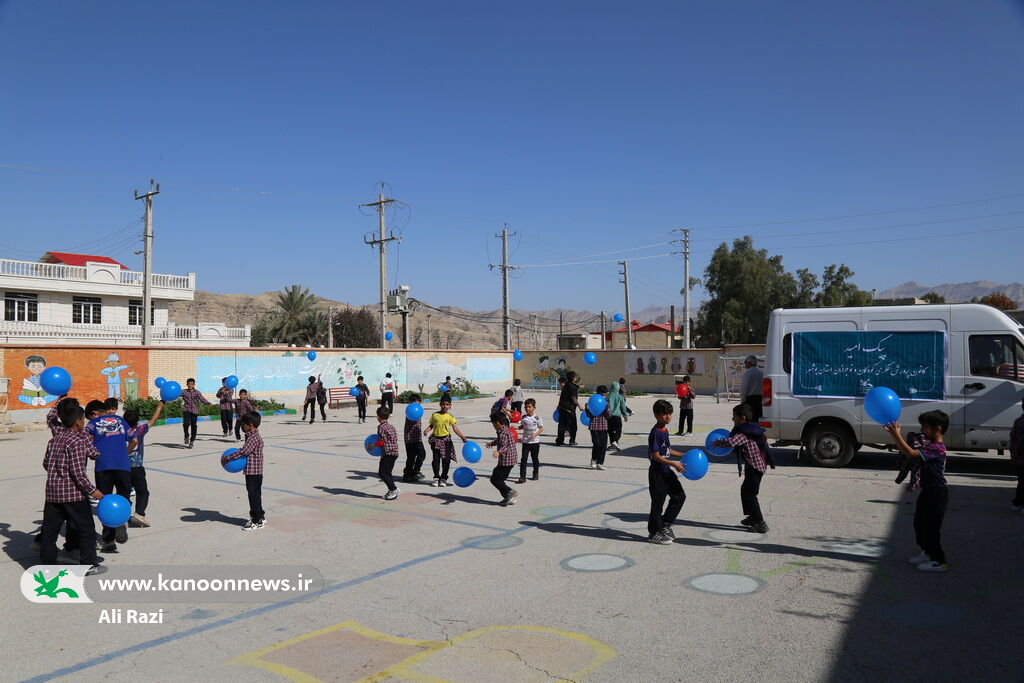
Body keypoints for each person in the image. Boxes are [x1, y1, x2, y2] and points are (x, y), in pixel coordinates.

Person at [39, 403, 106, 576]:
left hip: (53, 493)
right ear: (78, 421)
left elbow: (46, 464)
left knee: (49, 530)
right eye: (82, 418)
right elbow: (77, 472)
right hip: (73, 495)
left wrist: (57, 473)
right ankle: (88, 564)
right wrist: (92, 490)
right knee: (86, 530)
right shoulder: (76, 442)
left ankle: (47, 564)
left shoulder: (54, 440)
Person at [883, 410, 951, 572]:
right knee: (919, 524)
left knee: (931, 528)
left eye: (925, 427)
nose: (922, 430)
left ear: (938, 428)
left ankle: (939, 561)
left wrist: (895, 435)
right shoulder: (930, 446)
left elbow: (912, 454)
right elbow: (910, 451)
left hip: (938, 493)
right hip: (928, 491)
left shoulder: (938, 448)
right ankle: (926, 552)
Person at [85, 399, 138, 552]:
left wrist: (92, 453)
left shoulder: (92, 424)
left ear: (94, 413)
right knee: (124, 498)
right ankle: (121, 523)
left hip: (103, 467)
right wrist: (124, 454)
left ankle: (108, 540)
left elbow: (85, 440)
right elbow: (134, 440)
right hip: (123, 466)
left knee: (104, 501)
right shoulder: (120, 420)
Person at [713, 403, 774, 534]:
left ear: (743, 417)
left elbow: (731, 442)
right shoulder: (750, 429)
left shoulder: (744, 432)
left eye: (734, 416)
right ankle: (752, 517)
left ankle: (760, 523)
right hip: (756, 466)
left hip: (755, 467)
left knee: (750, 495)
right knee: (745, 491)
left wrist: (717, 442)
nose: (732, 419)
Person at [647, 399, 686, 545]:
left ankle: (665, 523)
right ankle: (653, 532)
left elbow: (667, 451)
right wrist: (673, 464)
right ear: (656, 415)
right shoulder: (655, 432)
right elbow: (656, 456)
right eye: (664, 414)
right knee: (658, 503)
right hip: (657, 473)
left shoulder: (665, 430)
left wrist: (681, 455)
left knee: (679, 496)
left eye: (670, 413)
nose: (668, 417)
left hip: (666, 471)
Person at [124, 400, 165, 528]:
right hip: (136, 467)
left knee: (124, 492)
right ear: (137, 421)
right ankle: (139, 514)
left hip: (122, 467)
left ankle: (122, 514)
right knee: (142, 492)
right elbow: (153, 420)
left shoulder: (119, 432)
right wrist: (159, 407)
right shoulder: (140, 430)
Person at [223, 412, 266, 531]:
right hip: (255, 471)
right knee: (256, 495)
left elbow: (244, 451)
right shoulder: (252, 435)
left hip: (253, 472)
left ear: (250, 425)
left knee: (253, 496)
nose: (242, 427)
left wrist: (228, 457)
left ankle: (256, 521)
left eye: (244, 425)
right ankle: (260, 516)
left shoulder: (253, 438)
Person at [424, 394, 468, 487]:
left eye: (447, 404)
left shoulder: (450, 416)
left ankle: (443, 478)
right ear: (440, 404)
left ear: (450, 406)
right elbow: (432, 425)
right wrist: (427, 430)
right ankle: (436, 478)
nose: (445, 406)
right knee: (436, 460)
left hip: (446, 441)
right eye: (443, 404)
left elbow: (455, 428)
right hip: (435, 440)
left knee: (446, 460)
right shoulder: (435, 415)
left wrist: (462, 437)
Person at [486, 411, 519, 506]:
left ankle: (510, 492)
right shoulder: (504, 430)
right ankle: (509, 497)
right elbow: (500, 441)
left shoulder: (503, 433)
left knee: (496, 480)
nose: (493, 426)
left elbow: (505, 445)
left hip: (506, 461)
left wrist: (498, 452)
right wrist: (492, 443)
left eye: (493, 424)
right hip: (508, 460)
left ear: (497, 423)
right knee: (497, 478)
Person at [516, 398, 543, 484]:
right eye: (526, 407)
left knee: (535, 459)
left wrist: (535, 434)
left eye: (529, 407)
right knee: (523, 459)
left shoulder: (537, 418)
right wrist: (516, 428)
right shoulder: (524, 417)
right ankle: (522, 477)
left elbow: (541, 428)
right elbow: (522, 426)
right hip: (526, 442)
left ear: (534, 407)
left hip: (535, 442)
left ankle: (535, 473)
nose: (527, 409)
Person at [376, 407, 400, 500]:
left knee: (382, 473)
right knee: (388, 472)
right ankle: (391, 490)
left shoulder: (381, 427)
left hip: (388, 453)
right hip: (394, 452)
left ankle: (394, 489)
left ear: (378, 417)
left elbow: (381, 442)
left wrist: (372, 446)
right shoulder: (391, 426)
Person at [402, 394, 427, 483]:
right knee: (411, 457)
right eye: (415, 404)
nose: (417, 407)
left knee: (422, 454)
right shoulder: (410, 412)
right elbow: (413, 419)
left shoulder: (418, 411)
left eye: (419, 405)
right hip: (409, 439)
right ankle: (407, 474)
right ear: (410, 404)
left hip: (418, 439)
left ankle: (415, 471)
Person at [181, 378, 211, 448]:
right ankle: (186, 435)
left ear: (194, 384)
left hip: (194, 411)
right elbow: (176, 395)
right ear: (187, 384)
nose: (190, 385)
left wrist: (207, 403)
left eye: (191, 384)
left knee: (194, 426)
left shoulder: (197, 392)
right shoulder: (184, 392)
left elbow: (202, 398)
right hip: (186, 409)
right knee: (186, 423)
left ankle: (192, 441)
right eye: (189, 384)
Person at [587, 385, 611, 470]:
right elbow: (589, 415)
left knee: (603, 445)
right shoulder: (591, 402)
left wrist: (606, 409)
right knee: (596, 444)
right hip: (594, 426)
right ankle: (594, 460)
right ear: (598, 393)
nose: (604, 396)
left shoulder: (606, 403)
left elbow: (608, 416)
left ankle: (600, 463)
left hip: (604, 427)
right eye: (602, 395)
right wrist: (588, 409)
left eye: (605, 395)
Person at [555, 371, 581, 446]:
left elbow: (563, 395)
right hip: (569, 409)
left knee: (562, 425)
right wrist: (579, 405)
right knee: (573, 426)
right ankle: (572, 441)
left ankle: (559, 441)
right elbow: (573, 398)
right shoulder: (572, 387)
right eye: (575, 376)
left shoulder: (566, 385)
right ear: (573, 378)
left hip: (562, 408)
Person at [739, 355, 764, 421]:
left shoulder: (747, 373)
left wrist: (743, 402)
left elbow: (743, 390)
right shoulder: (761, 373)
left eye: (745, 362)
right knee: (758, 419)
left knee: (749, 420)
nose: (745, 364)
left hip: (750, 400)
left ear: (749, 363)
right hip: (759, 400)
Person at [607, 381, 628, 451]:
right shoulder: (620, 397)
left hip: (609, 416)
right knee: (618, 430)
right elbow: (623, 407)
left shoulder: (608, 396)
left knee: (610, 430)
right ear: (618, 388)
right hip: (617, 417)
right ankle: (615, 441)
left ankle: (612, 443)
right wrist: (625, 415)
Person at [1011, 399, 1024, 513]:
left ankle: (1017, 503)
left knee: (1021, 481)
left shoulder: (1018, 421)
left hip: (1019, 458)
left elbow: (1013, 439)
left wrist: (1014, 457)